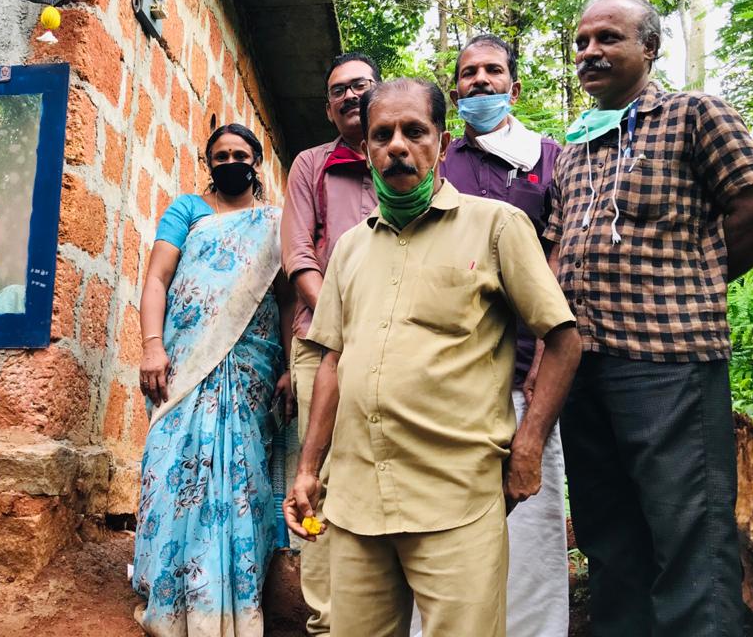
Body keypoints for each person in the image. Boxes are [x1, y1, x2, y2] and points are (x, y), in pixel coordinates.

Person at [284, 78, 581, 637]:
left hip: (456, 497)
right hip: (356, 501)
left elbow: (564, 338)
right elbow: (332, 363)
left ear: (442, 144)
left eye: (414, 131)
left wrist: (529, 446)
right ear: (366, 150)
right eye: (382, 135)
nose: (397, 145)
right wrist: (307, 470)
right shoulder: (349, 249)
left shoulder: (496, 226)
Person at [547, 0, 753, 636]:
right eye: (581, 41)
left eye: (608, 38)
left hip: (669, 363)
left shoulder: (693, 115)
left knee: (690, 538)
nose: (590, 51)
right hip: (585, 367)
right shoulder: (575, 146)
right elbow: (556, 244)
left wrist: (698, 279)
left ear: (649, 48)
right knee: (607, 535)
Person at [133, 123, 295, 636]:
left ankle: (230, 598)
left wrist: (291, 365)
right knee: (169, 464)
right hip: (185, 363)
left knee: (241, 475)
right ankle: (167, 591)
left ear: (256, 162)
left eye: (239, 155)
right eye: (220, 156)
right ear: (209, 163)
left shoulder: (276, 222)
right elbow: (157, 278)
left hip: (250, 369)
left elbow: (287, 300)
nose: (230, 163)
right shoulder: (187, 210)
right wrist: (152, 345)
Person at [438, 34, 568, 637]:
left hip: (527, 374)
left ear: (513, 88)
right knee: (444, 524)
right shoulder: (440, 163)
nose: (481, 81)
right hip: (454, 375)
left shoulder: (551, 158)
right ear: (455, 91)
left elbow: (562, 257)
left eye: (493, 71)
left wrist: (544, 355)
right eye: (469, 73)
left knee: (531, 522)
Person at [281, 51, 379, 635]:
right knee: (316, 474)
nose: (350, 96)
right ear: (328, 108)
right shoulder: (311, 165)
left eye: (360, 85)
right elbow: (298, 255)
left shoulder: (407, 158)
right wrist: (342, 320)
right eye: (338, 90)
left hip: (394, 343)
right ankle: (326, 621)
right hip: (321, 340)